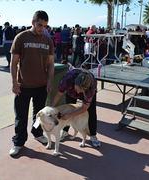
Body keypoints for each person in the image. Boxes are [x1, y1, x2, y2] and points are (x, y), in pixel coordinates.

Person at [9, 10, 54, 157]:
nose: (42, 28)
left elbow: (51, 64)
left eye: (45, 26)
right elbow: (14, 62)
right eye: (40, 25)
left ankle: (37, 132)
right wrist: (14, 83)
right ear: (33, 22)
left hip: (41, 86)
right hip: (23, 86)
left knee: (39, 116)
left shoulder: (47, 40)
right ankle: (19, 142)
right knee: (21, 117)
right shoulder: (21, 37)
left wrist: (49, 81)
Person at [52, 68, 101, 147]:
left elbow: (84, 108)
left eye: (81, 91)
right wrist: (52, 108)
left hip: (87, 91)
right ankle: (65, 131)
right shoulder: (67, 79)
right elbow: (59, 94)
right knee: (68, 108)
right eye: (77, 89)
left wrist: (70, 115)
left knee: (91, 111)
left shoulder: (90, 88)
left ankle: (93, 135)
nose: (78, 92)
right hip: (70, 92)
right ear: (74, 83)